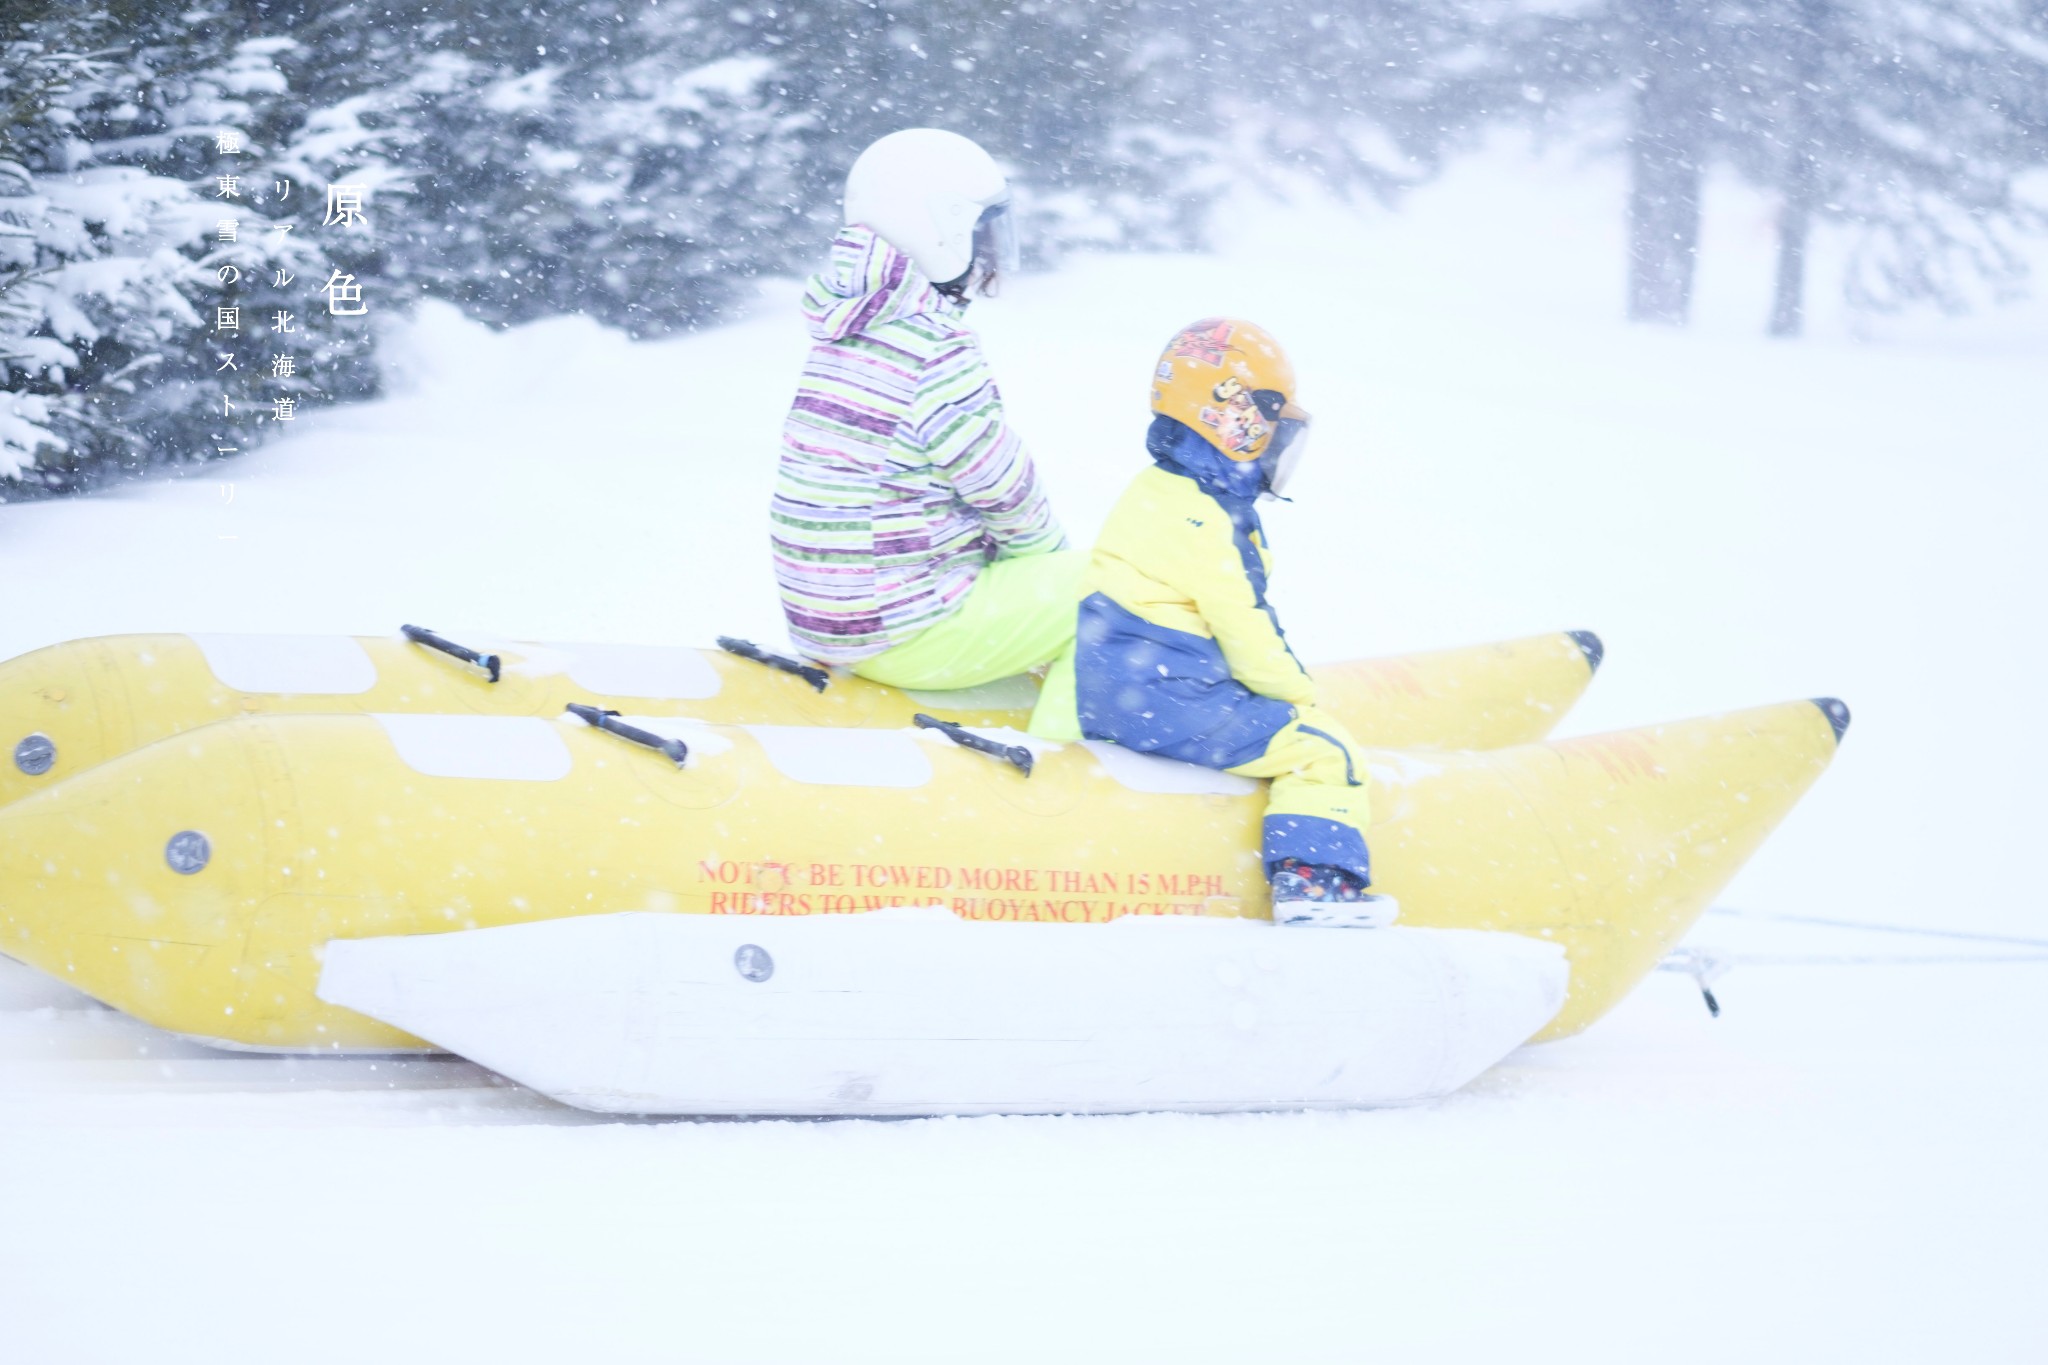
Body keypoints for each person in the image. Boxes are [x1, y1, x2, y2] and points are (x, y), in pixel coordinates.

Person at [1028, 318, 1397, 928]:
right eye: (1275, 425)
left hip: (1113, 696)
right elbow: (1249, 632)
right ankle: (1315, 887)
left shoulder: (1153, 489)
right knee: (1325, 751)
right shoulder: (1211, 520)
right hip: (1169, 699)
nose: (1280, 446)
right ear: (1234, 418)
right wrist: (1302, 700)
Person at [771, 128, 1082, 690]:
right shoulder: (935, 347)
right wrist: (1050, 571)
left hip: (831, 624)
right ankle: (1075, 747)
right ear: (941, 231)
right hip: (911, 630)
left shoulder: (846, 329)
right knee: (1120, 585)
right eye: (983, 236)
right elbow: (1003, 485)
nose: (991, 256)